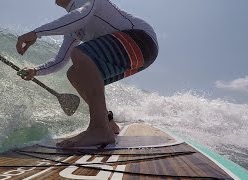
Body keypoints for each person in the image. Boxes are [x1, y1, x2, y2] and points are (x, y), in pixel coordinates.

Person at [16, 0, 159, 147]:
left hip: (142, 40)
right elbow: (60, 60)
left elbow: (80, 15)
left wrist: (37, 33)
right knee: (74, 74)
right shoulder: (73, 29)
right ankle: (108, 124)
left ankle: (99, 129)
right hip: (135, 56)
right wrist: (35, 71)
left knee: (80, 53)